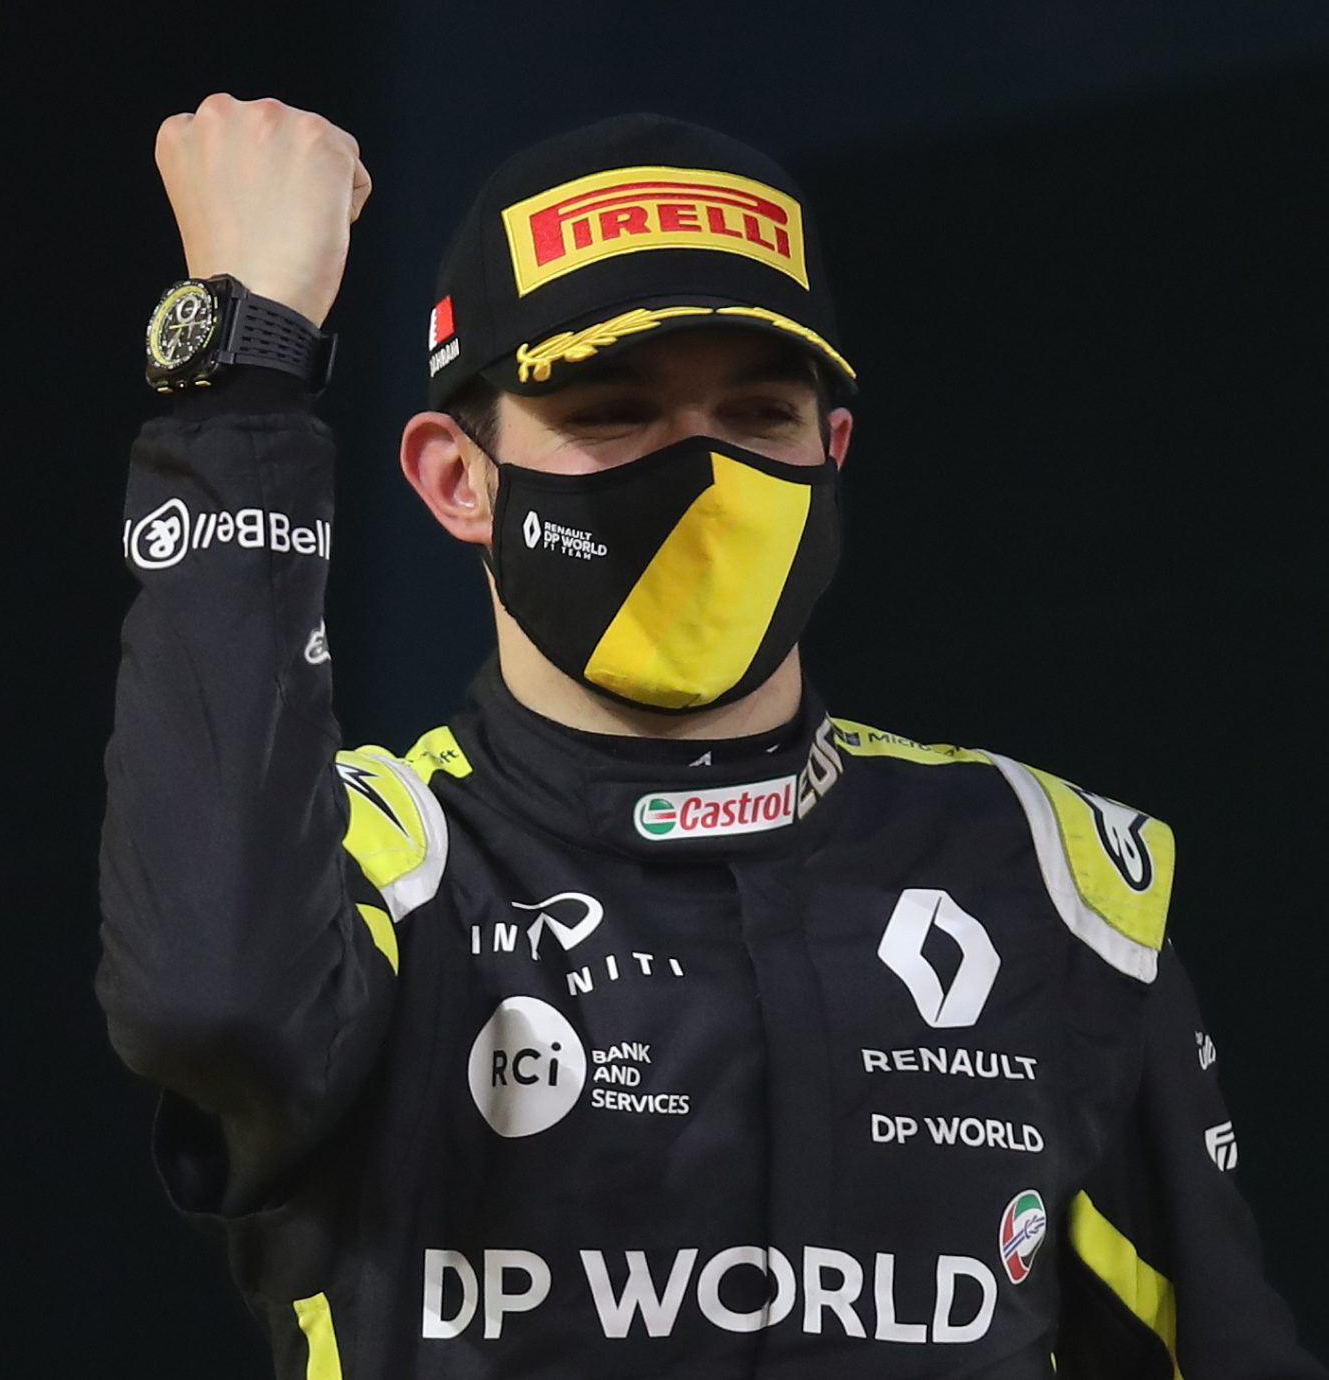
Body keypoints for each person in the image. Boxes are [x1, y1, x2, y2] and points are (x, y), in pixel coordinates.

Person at [97, 94, 1322, 1377]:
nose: (703, 474)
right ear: (459, 480)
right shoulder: (378, 873)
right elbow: (208, 1004)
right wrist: (241, 365)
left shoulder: (1048, 881)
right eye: (614, 413)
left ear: (832, 451)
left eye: (757, 418)